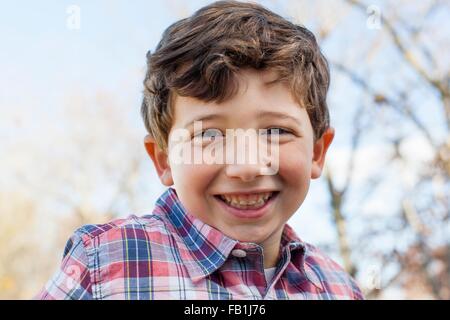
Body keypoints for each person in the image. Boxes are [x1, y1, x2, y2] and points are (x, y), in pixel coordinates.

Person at [37, 0, 364, 300]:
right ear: (163, 160)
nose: (247, 167)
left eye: (276, 131)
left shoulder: (339, 288)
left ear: (317, 152)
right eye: (209, 134)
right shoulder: (104, 264)